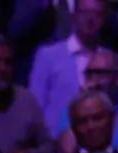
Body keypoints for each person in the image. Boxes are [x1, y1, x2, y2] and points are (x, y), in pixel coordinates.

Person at [29, 0, 110, 136]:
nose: (90, 19)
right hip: (55, 141)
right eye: (84, 13)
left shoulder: (113, 61)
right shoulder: (47, 56)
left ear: (104, 19)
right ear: (73, 16)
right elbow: (35, 105)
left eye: (97, 13)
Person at [57, 50, 118, 153]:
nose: (94, 80)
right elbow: (68, 150)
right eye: (89, 73)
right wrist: (82, 101)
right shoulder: (71, 112)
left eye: (100, 73)